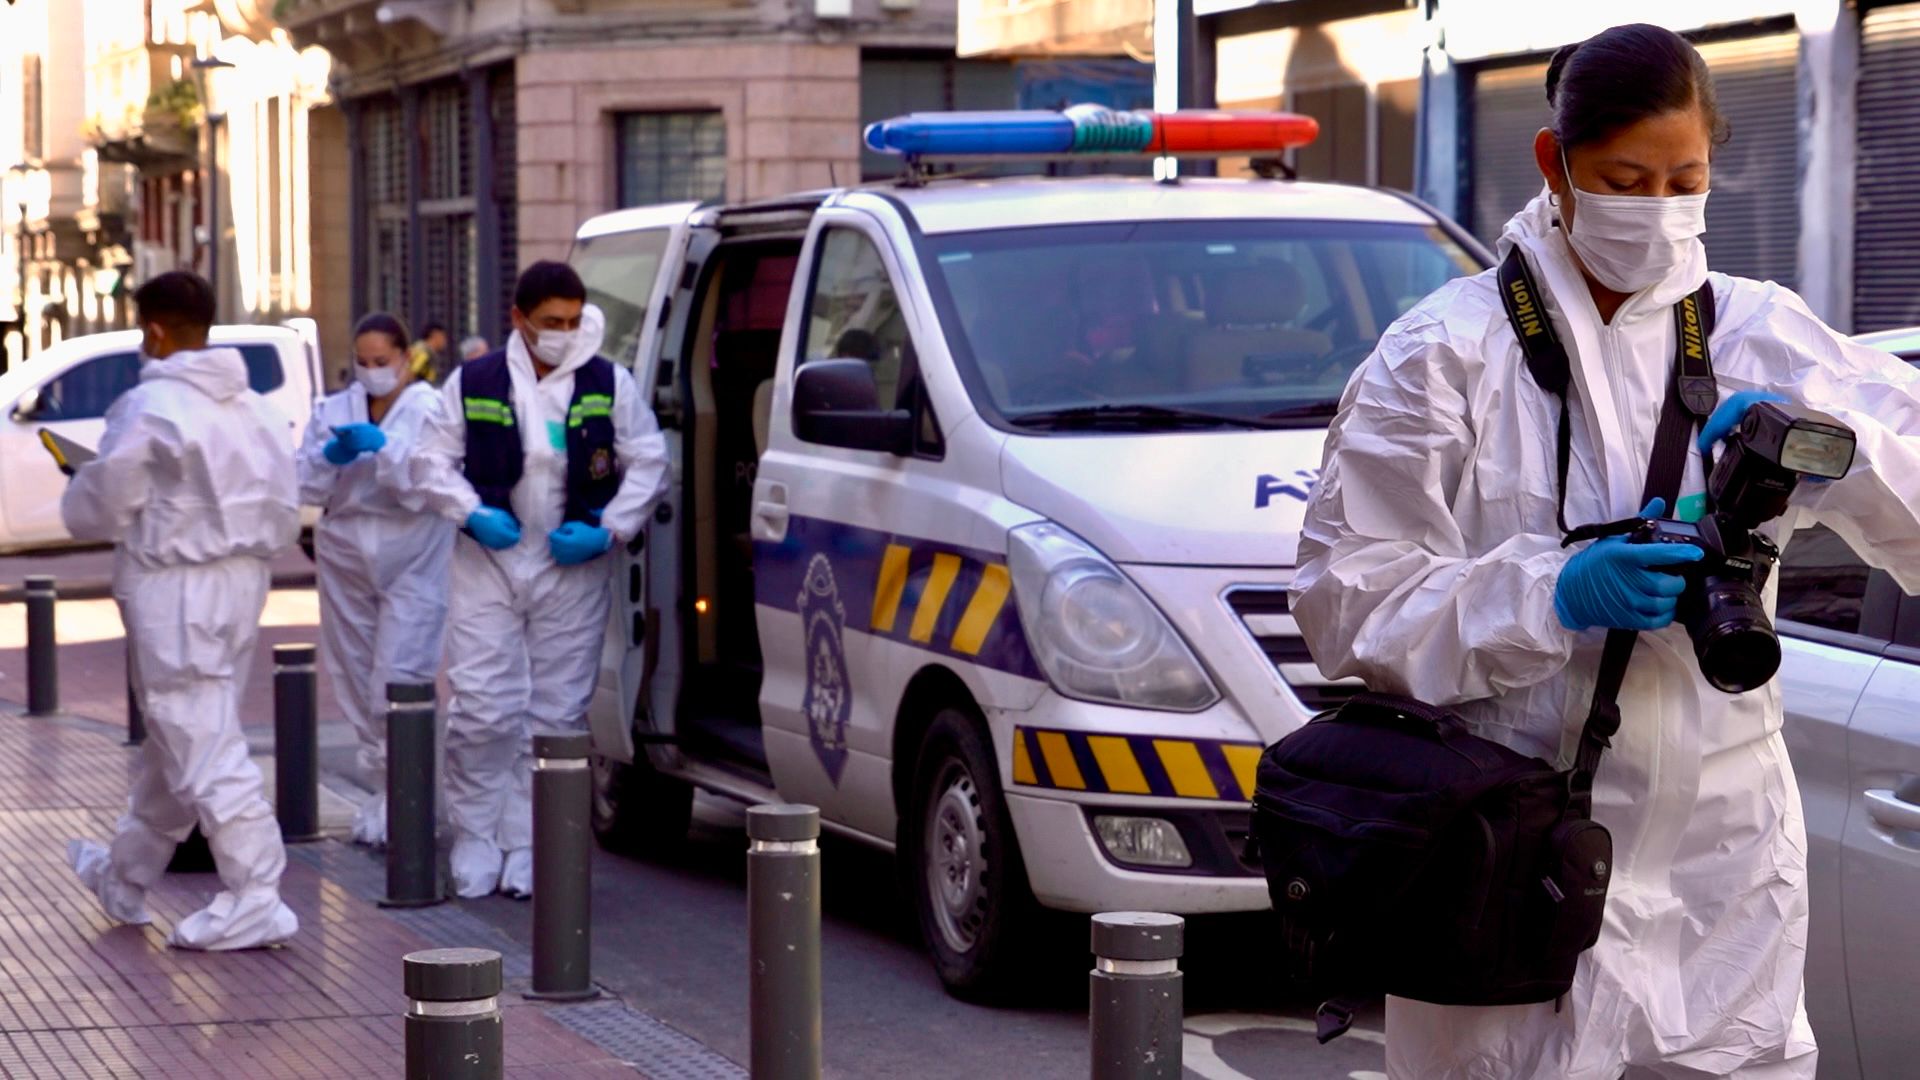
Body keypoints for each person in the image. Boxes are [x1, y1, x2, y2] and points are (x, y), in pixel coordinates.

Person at [1289, 24, 1920, 1080]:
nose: (1659, 207)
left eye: (1686, 178)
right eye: (1626, 179)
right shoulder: (1442, 357)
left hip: (1722, 870)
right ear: (1554, 164)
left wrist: (1833, 454)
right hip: (1500, 863)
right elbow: (1346, 608)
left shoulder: (1760, 335)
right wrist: (1550, 595)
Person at [408, 261, 669, 898]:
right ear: (519, 320)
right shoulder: (475, 381)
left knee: (555, 714)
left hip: (570, 565)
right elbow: (427, 463)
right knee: (481, 707)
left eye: (575, 321)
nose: (565, 332)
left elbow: (650, 460)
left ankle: (529, 840)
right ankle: (476, 831)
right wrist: (471, 511)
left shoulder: (608, 381)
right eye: (551, 322)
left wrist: (609, 528)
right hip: (488, 561)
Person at [61, 270, 302, 951]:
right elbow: (286, 504)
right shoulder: (256, 408)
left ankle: (257, 893)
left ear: (155, 330)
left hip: (176, 585)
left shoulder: (152, 406)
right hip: (242, 581)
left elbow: (102, 504)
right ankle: (125, 874)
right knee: (181, 740)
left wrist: (80, 484)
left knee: (200, 740)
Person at [296, 312, 454, 848]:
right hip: (345, 555)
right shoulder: (333, 410)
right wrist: (330, 455)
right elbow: (305, 482)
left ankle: (414, 796)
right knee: (355, 674)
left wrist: (384, 449)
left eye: (382, 362)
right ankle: (386, 792)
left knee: (401, 676)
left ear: (407, 358)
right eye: (362, 363)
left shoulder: (430, 408)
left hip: (413, 553)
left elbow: (427, 481)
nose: (371, 373)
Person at [410, 320, 453, 385]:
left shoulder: (426, 352)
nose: (445, 341)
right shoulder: (423, 353)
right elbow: (410, 374)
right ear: (435, 334)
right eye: (443, 337)